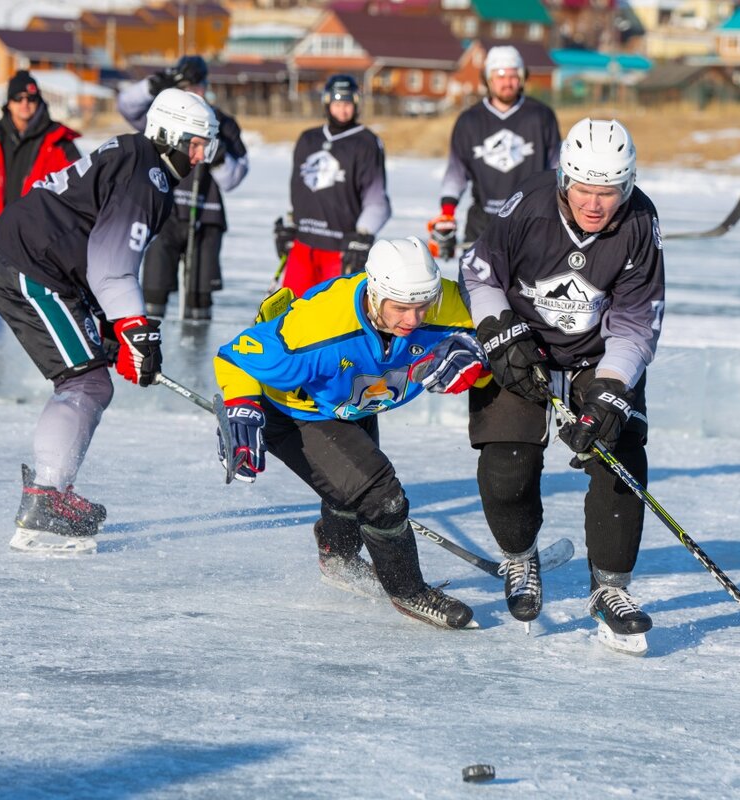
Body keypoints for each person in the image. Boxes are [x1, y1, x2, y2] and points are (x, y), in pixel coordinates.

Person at [0, 88, 220, 555]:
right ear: (167, 133)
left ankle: (50, 493)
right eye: (193, 143)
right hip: (31, 266)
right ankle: (46, 499)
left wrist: (113, 333)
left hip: (38, 264)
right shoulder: (148, 175)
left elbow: (96, 253)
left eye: (204, 146)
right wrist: (136, 330)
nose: (198, 155)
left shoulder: (137, 157)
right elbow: (111, 265)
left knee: (91, 379)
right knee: (86, 384)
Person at [459, 118, 665, 652]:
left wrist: (612, 387)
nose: (595, 204)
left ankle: (610, 589)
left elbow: (638, 320)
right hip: (521, 340)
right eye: (584, 190)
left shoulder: (640, 221)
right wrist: (498, 330)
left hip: (598, 352)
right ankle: (519, 556)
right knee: (507, 460)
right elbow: (478, 270)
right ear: (563, 181)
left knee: (619, 453)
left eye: (609, 192)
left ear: (628, 185)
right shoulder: (526, 206)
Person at [214, 237, 490, 629]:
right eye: (400, 308)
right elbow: (234, 356)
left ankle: (337, 558)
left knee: (349, 488)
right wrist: (241, 407)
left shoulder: (443, 303)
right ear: (375, 293)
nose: (413, 320)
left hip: (352, 403)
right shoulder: (318, 329)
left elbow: (494, 330)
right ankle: (409, 591)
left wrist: (478, 353)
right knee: (382, 497)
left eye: (421, 307)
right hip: (295, 409)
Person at [117, 55, 248, 321]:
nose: (192, 93)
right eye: (184, 87)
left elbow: (233, 180)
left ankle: (195, 356)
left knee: (198, 300)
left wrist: (220, 157)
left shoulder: (222, 123)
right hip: (164, 214)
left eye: (196, 86)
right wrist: (153, 86)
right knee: (152, 294)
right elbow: (127, 108)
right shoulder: (165, 115)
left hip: (205, 217)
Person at [429, 45, 559, 261]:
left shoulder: (541, 116)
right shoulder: (469, 120)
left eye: (513, 75)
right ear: (488, 79)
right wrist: (448, 212)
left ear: (522, 77)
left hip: (532, 222)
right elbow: (456, 172)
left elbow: (557, 168)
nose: (507, 82)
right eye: (500, 76)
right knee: (476, 292)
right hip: (482, 223)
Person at [0, 70, 81, 288]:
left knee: (33, 318)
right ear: (9, 103)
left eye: (31, 98)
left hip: (39, 252)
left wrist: (48, 229)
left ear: (39, 101)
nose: (25, 104)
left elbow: (78, 189)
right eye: (18, 98)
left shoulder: (60, 143)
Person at [274, 74, 390, 298]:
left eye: (347, 104)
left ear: (356, 105)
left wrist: (362, 234)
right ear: (327, 103)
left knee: (330, 317)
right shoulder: (308, 139)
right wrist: (289, 224)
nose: (342, 110)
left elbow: (377, 200)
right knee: (292, 312)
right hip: (303, 244)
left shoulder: (366, 142)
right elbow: (297, 190)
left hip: (339, 248)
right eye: (337, 104)